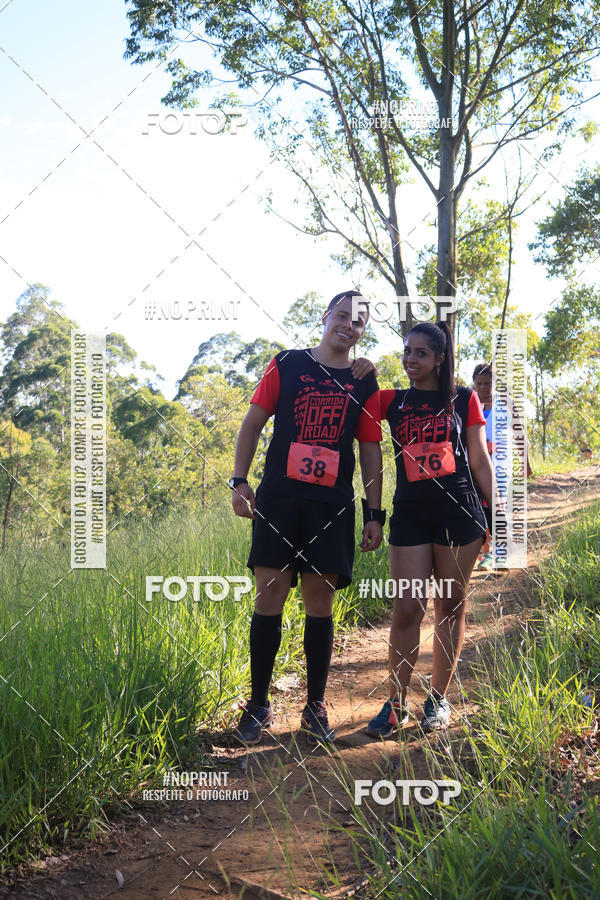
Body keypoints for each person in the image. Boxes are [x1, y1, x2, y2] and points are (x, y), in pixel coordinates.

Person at [229, 291, 385, 745]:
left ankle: (315, 705)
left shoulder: (365, 383)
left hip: (331, 507)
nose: (348, 325)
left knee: (320, 602)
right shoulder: (288, 364)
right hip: (279, 500)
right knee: (269, 596)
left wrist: (375, 513)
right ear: (325, 317)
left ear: (362, 330)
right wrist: (240, 481)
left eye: (358, 321)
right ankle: (258, 703)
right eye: (342, 315)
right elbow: (253, 422)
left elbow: (370, 451)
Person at [365, 321, 496, 738]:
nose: (410, 359)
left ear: (440, 358)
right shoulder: (391, 401)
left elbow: (478, 459)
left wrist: (495, 511)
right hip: (410, 515)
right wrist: (363, 368)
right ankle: (396, 705)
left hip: (460, 513)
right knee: (407, 608)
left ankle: (438, 700)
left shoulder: (463, 399)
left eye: (420, 353)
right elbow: (349, 395)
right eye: (407, 351)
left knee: (450, 605)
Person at [472, 363, 532, 571]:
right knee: (481, 510)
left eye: (487, 383)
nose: (482, 387)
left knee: (498, 509)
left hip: (501, 467)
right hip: (477, 467)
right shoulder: (471, 403)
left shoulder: (506, 403)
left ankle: (501, 554)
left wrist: (526, 463)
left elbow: (519, 435)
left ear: (494, 383)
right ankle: (487, 554)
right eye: (478, 383)